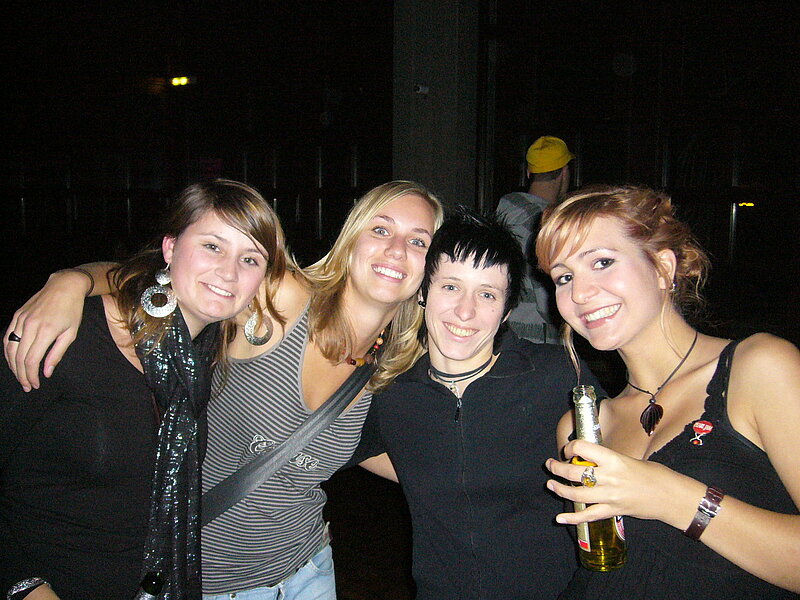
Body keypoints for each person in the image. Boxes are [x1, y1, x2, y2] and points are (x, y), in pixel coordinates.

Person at [4, 180, 444, 600]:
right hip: (210, 578)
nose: (396, 249)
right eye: (381, 229)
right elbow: (169, 278)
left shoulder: (395, 367)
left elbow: (390, 455)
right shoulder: (283, 299)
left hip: (309, 567)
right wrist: (72, 281)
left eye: (418, 241)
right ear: (351, 239)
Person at [1, 179, 288, 600]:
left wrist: (78, 276)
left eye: (250, 259)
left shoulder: (208, 356)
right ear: (170, 248)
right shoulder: (69, 336)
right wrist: (24, 585)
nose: (229, 272)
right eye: (212, 246)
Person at [536, 185, 800, 599]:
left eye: (602, 262)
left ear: (662, 266)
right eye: (564, 277)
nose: (579, 294)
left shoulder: (758, 369)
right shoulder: (581, 427)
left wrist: (672, 497)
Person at [350, 207, 603, 599]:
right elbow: (351, 448)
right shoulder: (391, 391)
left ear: (506, 311)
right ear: (423, 293)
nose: (465, 311)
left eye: (487, 294)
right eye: (451, 287)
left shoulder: (557, 376)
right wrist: (428, 472)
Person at [495, 135, 574, 344]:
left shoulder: (501, 216)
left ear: (529, 173)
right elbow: (551, 306)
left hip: (501, 338)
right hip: (538, 347)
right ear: (564, 172)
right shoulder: (547, 229)